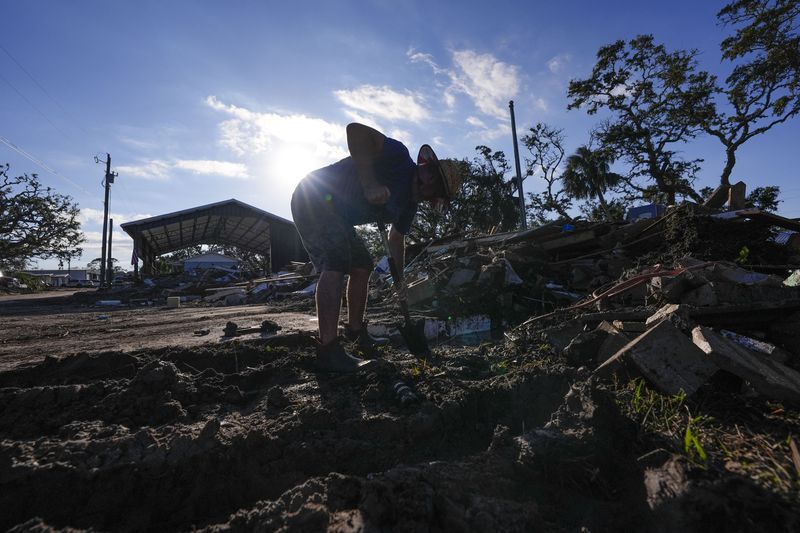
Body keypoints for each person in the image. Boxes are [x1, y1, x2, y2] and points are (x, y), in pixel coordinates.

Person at [291, 122, 461, 373]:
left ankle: (356, 333)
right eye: (433, 179)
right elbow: (355, 131)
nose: (432, 189)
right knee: (336, 262)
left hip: (339, 217)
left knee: (362, 266)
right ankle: (328, 350)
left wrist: (400, 282)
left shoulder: (408, 207)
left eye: (439, 192)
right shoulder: (398, 157)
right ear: (426, 170)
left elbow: (396, 241)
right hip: (314, 197)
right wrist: (369, 183)